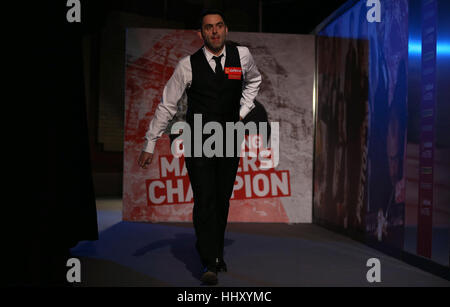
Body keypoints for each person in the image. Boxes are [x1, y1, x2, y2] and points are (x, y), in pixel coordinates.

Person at [138, 9, 262, 285]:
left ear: (226, 30)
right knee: (205, 199)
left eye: (219, 26)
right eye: (209, 28)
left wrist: (243, 110)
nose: (214, 31)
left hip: (229, 138)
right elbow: (167, 105)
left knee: (222, 199)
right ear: (201, 33)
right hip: (198, 141)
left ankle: (213, 251)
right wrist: (150, 143)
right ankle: (210, 260)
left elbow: (254, 81)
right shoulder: (187, 65)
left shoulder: (242, 56)